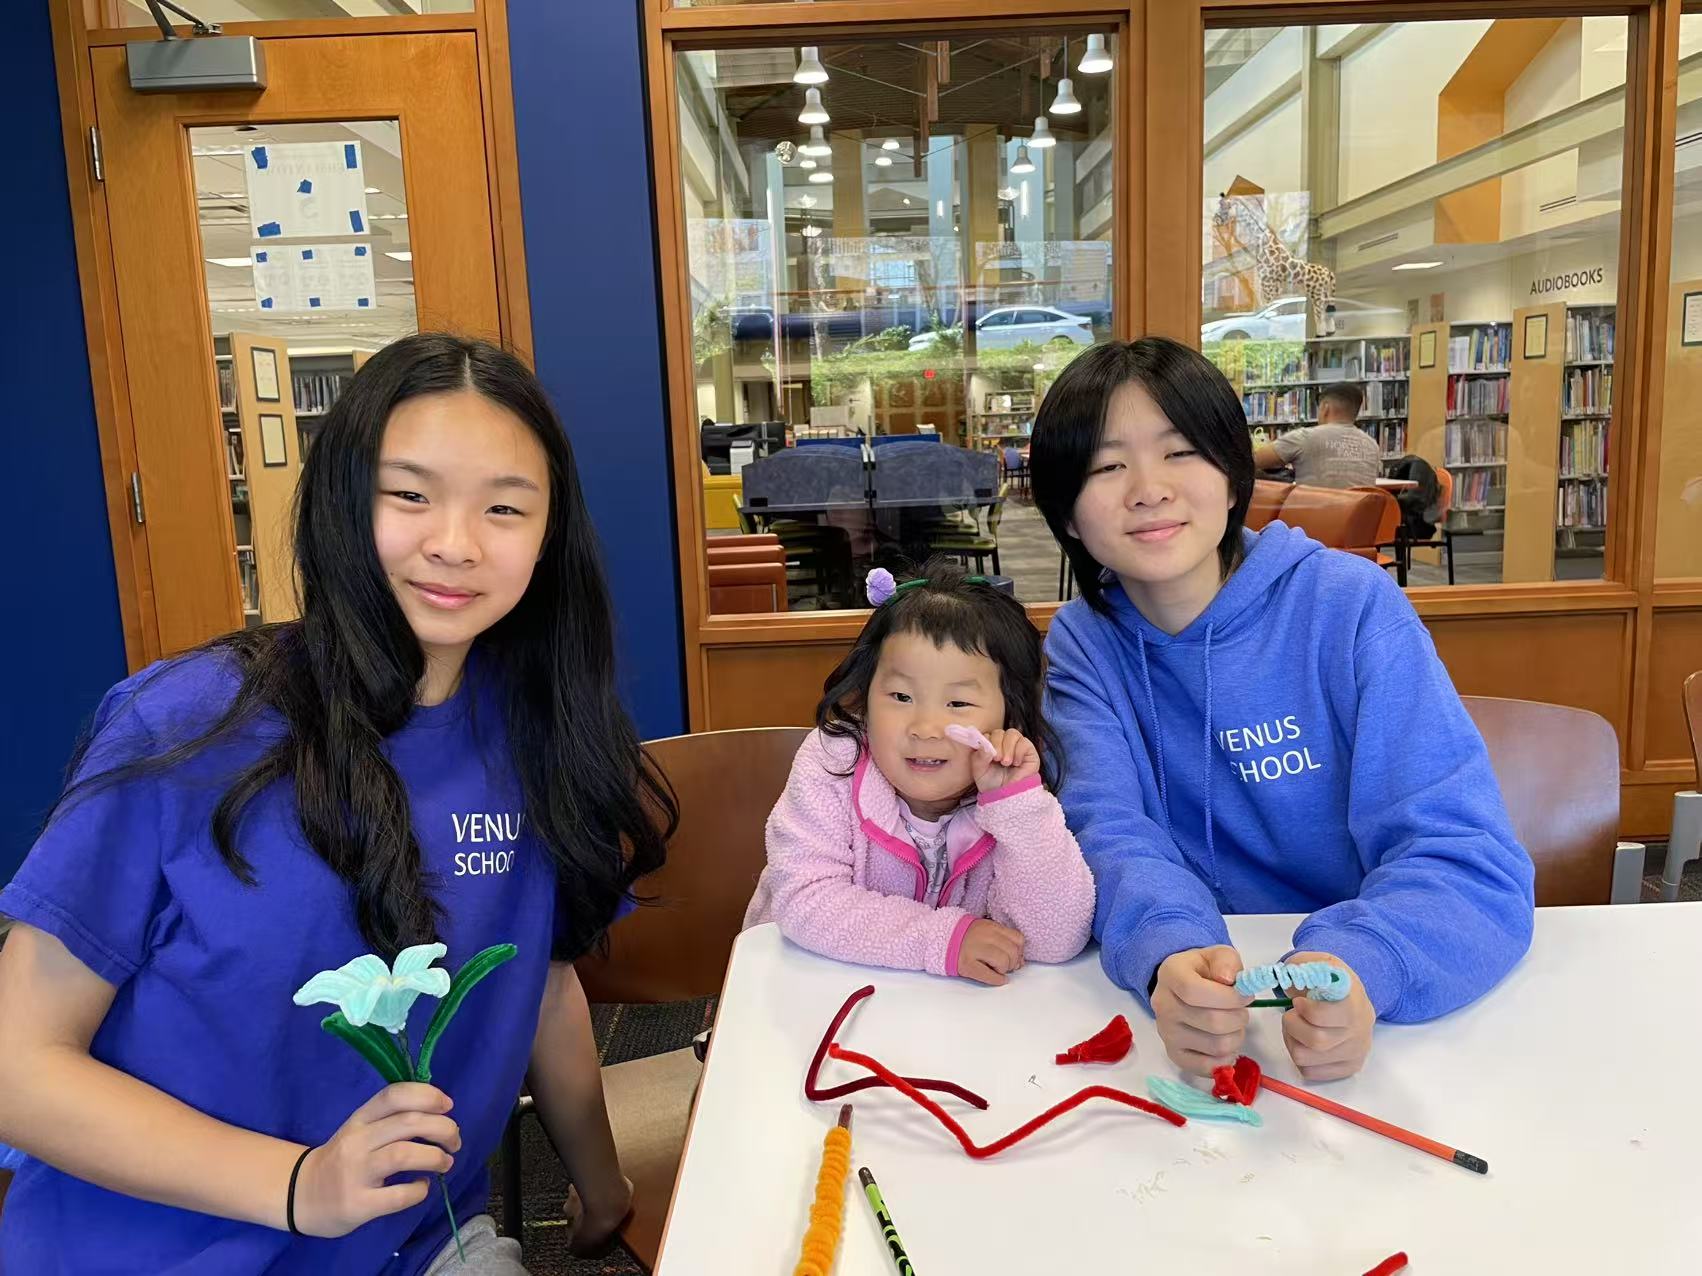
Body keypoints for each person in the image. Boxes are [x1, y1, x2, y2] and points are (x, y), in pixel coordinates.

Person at [0, 334, 677, 1274]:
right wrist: (298, 1184)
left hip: (412, 1244)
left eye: (504, 507)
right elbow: (18, 1064)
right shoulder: (186, 725)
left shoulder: (540, 736)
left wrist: (603, 1189)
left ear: (550, 534)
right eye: (410, 495)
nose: (455, 543)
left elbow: (540, 982)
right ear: (342, 501)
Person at [1029, 338, 1533, 1082]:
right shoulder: (1084, 643)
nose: (1148, 490)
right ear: (1067, 514)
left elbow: (1462, 853)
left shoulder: (1349, 607)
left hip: (1367, 1020)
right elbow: (1106, 831)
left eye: (1180, 452)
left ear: (1234, 476)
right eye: (1106, 467)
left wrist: (1363, 963)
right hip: (1191, 1022)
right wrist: (1167, 949)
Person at [744, 559, 1094, 985]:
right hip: (810, 993)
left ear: (1011, 714)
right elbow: (803, 899)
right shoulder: (833, 763)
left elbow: (1056, 938)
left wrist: (1017, 806)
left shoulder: (1015, 789)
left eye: (958, 704)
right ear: (864, 696)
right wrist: (943, 940)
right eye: (900, 696)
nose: (925, 728)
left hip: (943, 1011)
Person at [1252, 382, 1381, 488]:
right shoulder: (1372, 445)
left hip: (1315, 511)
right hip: (1361, 512)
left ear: (1325, 408)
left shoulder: (1304, 438)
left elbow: (1252, 461)